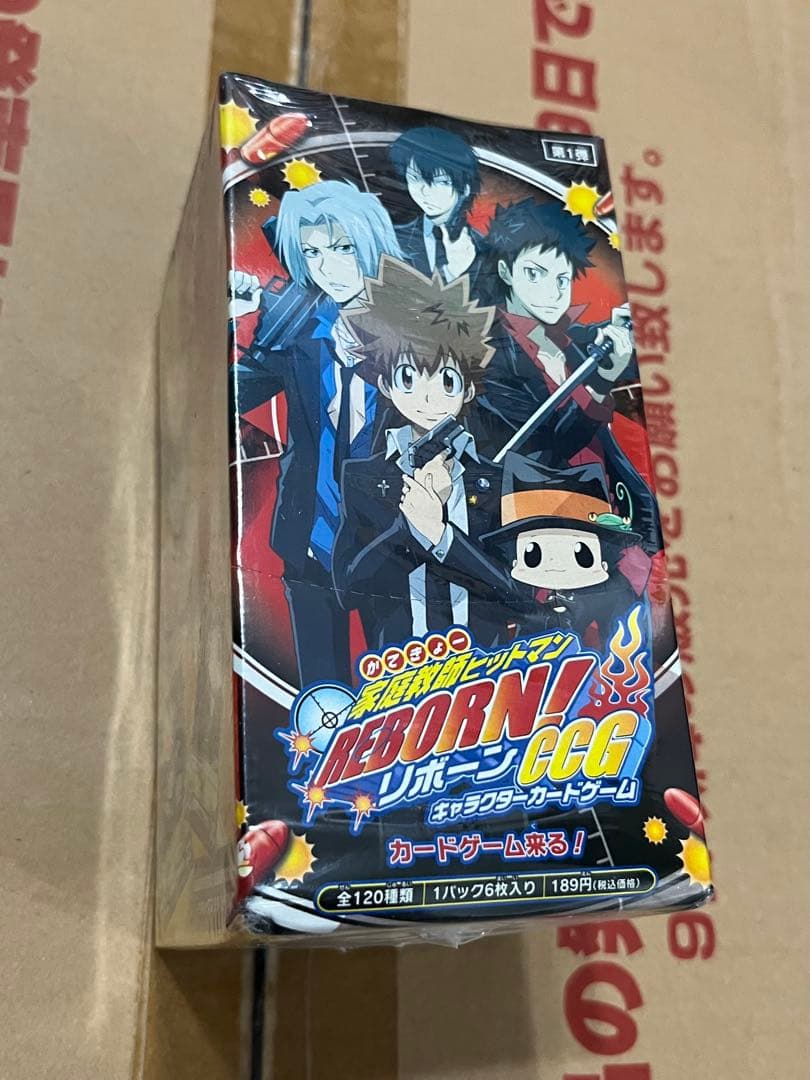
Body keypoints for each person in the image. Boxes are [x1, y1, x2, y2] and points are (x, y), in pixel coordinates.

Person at [228, 180, 402, 686]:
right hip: (308, 541)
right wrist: (233, 322)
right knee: (321, 700)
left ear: (372, 244)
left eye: (344, 248)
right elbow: (228, 396)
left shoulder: (416, 335)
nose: (329, 267)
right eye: (313, 253)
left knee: (400, 698)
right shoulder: (298, 336)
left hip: (391, 546)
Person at [333, 257, 519, 649]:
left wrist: (440, 534)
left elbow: (513, 590)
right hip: (397, 667)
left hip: (489, 665)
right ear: (387, 385)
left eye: (447, 380)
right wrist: (409, 527)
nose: (429, 397)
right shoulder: (363, 477)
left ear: (468, 389)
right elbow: (348, 588)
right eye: (409, 378)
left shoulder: (497, 479)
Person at [479, 197, 661, 553]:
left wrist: (633, 332)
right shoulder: (491, 355)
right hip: (548, 528)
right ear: (505, 271)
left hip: (609, 511)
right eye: (534, 274)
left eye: (562, 279)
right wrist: (600, 384)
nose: (552, 293)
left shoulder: (567, 339)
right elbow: (543, 450)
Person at [480, 455, 652, 649]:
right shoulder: (511, 585)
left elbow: (627, 644)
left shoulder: (613, 589)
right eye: (533, 554)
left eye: (581, 554)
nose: (556, 565)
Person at [389, 125, 485, 288]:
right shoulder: (394, 238)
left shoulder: (483, 246)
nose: (424, 191)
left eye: (441, 182)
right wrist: (451, 273)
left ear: (465, 189)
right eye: (414, 178)